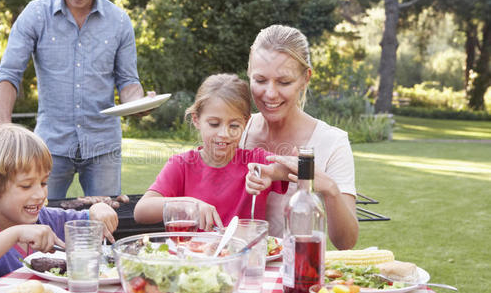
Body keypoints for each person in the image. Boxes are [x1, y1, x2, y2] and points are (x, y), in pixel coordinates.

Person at [0, 0, 151, 200]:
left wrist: (139, 103)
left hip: (103, 146)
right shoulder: (36, 14)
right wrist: (4, 129)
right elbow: (8, 75)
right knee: (38, 223)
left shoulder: (119, 21)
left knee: (107, 224)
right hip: (49, 146)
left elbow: (127, 81)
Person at [0, 123, 118, 293]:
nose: (40, 194)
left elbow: (89, 221)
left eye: (43, 182)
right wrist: (14, 234)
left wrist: (99, 209)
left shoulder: (49, 219)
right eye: (26, 186)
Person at [240, 24, 359, 250]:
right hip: (237, 276)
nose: (270, 93)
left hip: (298, 276)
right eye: (260, 80)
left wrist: (329, 189)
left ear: (306, 79)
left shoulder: (332, 143)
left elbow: (346, 242)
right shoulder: (237, 131)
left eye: (284, 82)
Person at [133, 74, 289, 231]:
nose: (224, 134)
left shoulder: (256, 162)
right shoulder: (182, 165)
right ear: (196, 120)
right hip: (193, 254)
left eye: (234, 126)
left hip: (244, 254)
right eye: (214, 124)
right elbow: (141, 211)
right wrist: (188, 204)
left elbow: (297, 169)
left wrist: (274, 172)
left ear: (246, 123)